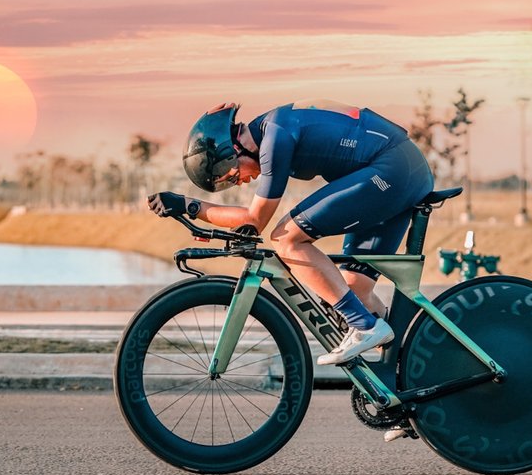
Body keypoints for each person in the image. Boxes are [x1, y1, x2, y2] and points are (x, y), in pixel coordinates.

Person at [148, 99, 434, 366]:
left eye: (233, 176)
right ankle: (411, 371)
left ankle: (365, 327)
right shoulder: (272, 127)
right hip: (402, 167)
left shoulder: (275, 136)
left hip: (392, 168)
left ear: (235, 150)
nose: (243, 182)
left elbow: (254, 219)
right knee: (352, 288)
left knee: (286, 238)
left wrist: (188, 205)